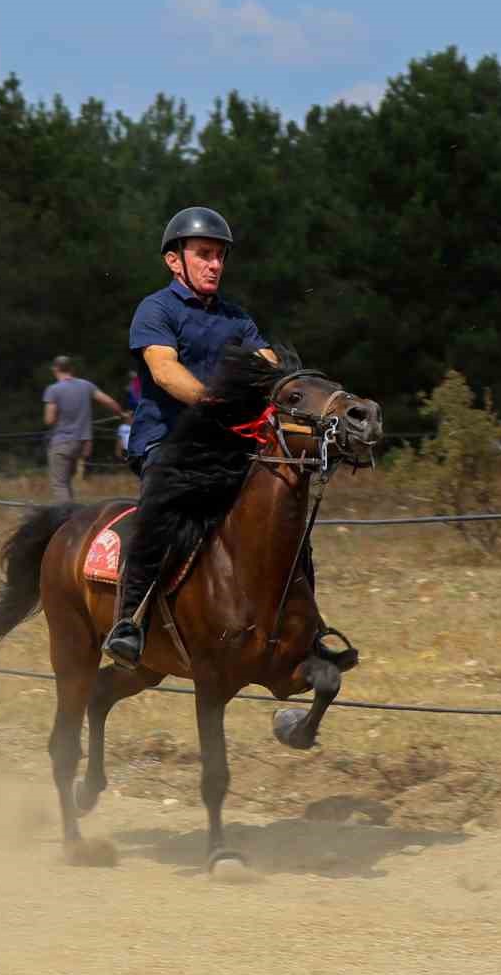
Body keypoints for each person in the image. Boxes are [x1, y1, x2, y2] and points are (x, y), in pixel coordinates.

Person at [101, 206, 354, 672]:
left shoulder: (238, 320)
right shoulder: (156, 310)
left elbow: (270, 368)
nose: (215, 264)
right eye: (203, 255)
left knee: (287, 516)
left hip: (230, 447)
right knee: (163, 510)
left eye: (219, 256)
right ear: (174, 261)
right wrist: (219, 406)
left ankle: (309, 631)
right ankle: (129, 623)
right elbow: (164, 370)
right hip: (167, 442)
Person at [42, 355, 130, 502]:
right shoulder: (86, 385)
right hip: (81, 444)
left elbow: (49, 420)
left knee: (60, 484)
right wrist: (121, 413)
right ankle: (71, 512)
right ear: (72, 369)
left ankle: (66, 517)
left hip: (62, 442)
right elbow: (108, 401)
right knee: (67, 481)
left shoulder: (53, 390)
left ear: (55, 369)